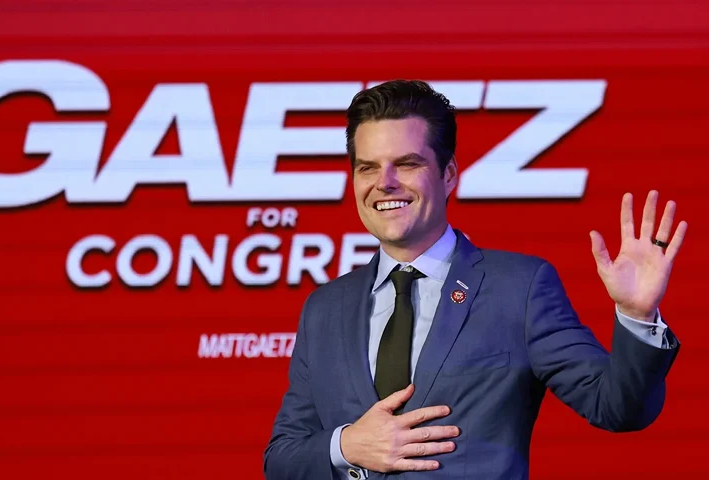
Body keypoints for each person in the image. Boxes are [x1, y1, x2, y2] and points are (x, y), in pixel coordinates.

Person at [263, 80, 686, 479]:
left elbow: (618, 408)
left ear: (448, 174)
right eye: (367, 168)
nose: (384, 183)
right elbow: (282, 457)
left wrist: (637, 316)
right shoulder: (325, 308)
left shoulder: (518, 289)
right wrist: (346, 445)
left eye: (406, 164)